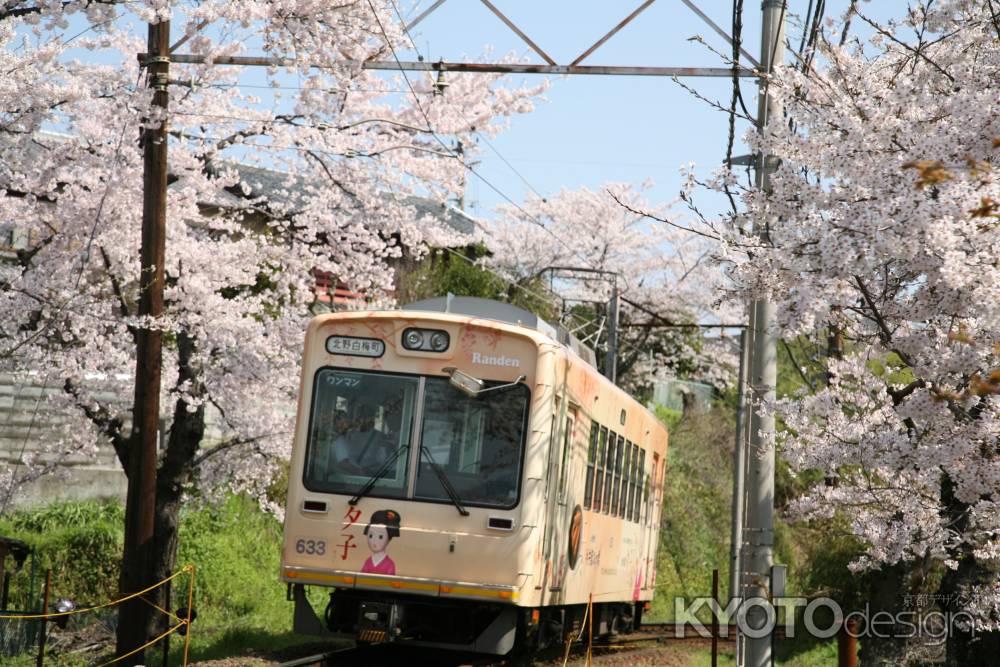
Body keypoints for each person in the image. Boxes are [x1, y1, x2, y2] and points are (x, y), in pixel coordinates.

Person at [333, 404, 392, 475]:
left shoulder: (378, 435)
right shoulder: (339, 441)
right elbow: (343, 463)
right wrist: (360, 472)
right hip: (351, 479)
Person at [361, 509, 401, 575]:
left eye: (380, 537)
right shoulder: (368, 561)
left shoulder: (390, 564)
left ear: (389, 539)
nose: (374, 541)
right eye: (370, 535)